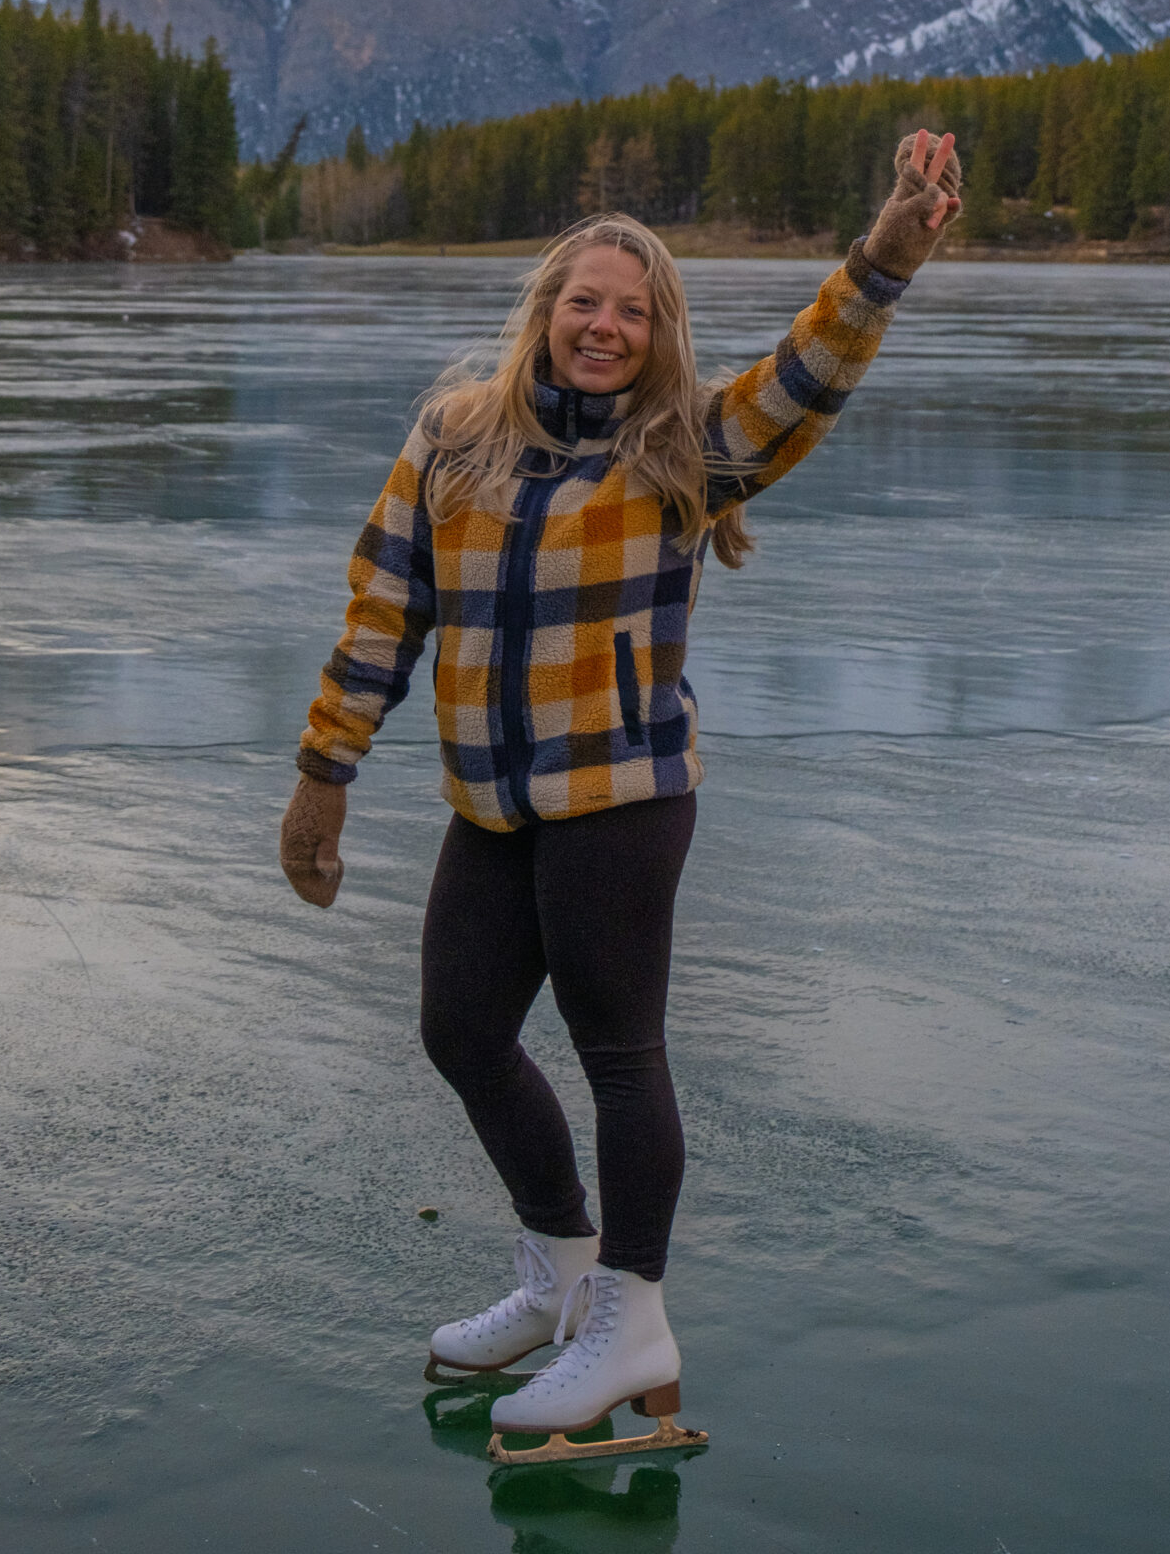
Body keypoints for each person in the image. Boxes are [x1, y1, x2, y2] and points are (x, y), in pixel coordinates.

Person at [279, 129, 963, 1453]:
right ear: (543, 312)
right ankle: (563, 1277)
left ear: (659, 338)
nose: (605, 326)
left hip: (622, 804)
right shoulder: (455, 438)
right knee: (461, 1030)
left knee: (619, 1057)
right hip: (490, 808)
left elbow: (803, 385)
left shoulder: (682, 453)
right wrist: (324, 776)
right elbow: (382, 610)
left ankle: (636, 1321)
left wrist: (884, 256)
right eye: (585, 301)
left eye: (633, 312)